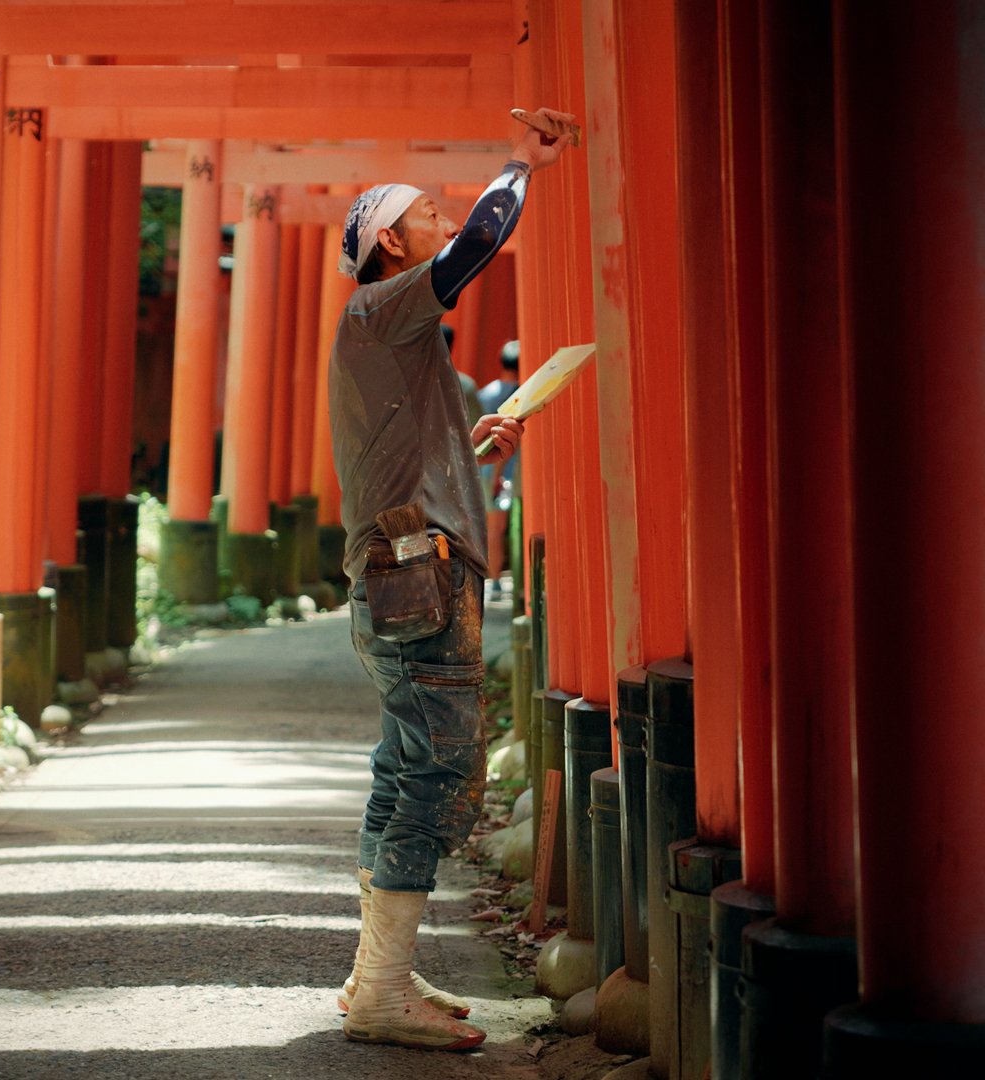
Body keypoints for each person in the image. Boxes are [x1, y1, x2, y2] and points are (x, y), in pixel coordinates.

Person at [329, 106, 576, 1051]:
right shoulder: (381, 304)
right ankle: (384, 987)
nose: (441, 221)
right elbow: (479, 243)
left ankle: (374, 978)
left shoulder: (392, 338)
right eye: (424, 212)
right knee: (445, 776)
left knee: (405, 772)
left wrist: (476, 448)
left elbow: (401, 460)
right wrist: (524, 163)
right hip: (419, 584)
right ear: (391, 242)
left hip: (403, 574)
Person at [478, 341, 524, 592]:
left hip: (484, 466)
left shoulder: (485, 393)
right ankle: (498, 579)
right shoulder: (520, 393)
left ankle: (493, 578)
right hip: (506, 468)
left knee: (491, 527)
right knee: (501, 527)